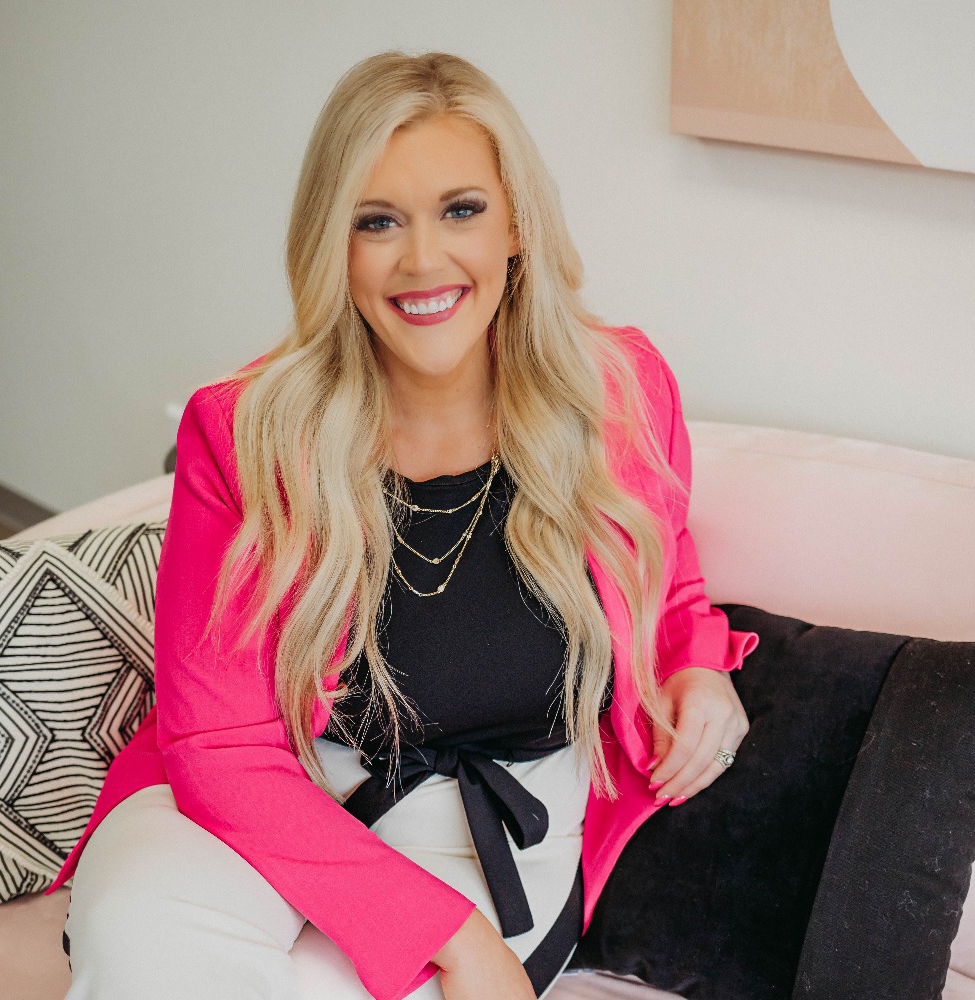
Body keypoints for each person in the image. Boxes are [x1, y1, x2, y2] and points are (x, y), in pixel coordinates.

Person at [51, 51, 757, 1000]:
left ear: (517, 224)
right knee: (138, 936)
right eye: (377, 222)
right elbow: (220, 750)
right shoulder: (244, 429)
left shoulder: (618, 393)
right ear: (332, 245)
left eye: (461, 209)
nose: (423, 261)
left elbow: (663, 563)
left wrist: (696, 658)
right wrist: (454, 938)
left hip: (494, 825)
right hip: (274, 796)